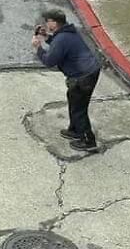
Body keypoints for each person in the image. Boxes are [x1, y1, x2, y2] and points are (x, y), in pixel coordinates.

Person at [31, 9, 101, 152]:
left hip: (83, 77)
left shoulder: (62, 38)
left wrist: (38, 48)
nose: (46, 23)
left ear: (54, 23)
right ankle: (75, 130)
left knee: (79, 109)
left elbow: (50, 61)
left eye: (47, 21)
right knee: (74, 101)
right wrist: (46, 37)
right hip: (88, 72)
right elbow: (59, 46)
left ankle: (88, 140)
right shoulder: (68, 32)